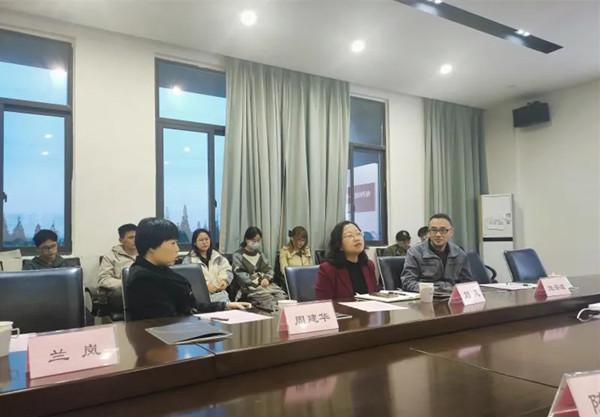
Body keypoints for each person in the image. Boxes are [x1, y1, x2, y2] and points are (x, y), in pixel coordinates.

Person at [125, 217, 250, 321]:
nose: (177, 249)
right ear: (152, 247)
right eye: (173, 243)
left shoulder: (159, 270)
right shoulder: (143, 279)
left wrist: (224, 306)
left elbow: (190, 306)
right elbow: (168, 323)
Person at [401, 213, 472, 292]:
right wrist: (435, 290)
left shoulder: (460, 254)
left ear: (451, 232)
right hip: (426, 296)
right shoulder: (415, 253)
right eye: (434, 230)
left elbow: (467, 283)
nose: (438, 235)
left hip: (452, 296)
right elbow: (407, 282)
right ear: (429, 232)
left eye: (443, 230)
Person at [315, 221, 378, 300]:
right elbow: (323, 303)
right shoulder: (328, 269)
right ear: (340, 245)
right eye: (349, 236)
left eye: (358, 234)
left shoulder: (369, 265)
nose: (356, 238)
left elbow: (375, 296)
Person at [232, 227, 286, 310]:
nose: (256, 243)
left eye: (258, 241)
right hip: (249, 288)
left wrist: (266, 278)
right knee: (268, 299)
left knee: (281, 297)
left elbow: (269, 269)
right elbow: (242, 276)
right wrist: (260, 279)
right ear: (246, 239)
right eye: (253, 241)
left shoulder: (259, 254)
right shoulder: (238, 255)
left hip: (265, 286)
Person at [182, 228, 232, 303]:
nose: (205, 242)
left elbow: (227, 270)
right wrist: (205, 286)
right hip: (201, 299)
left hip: (221, 295)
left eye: (207, 239)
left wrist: (224, 280)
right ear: (195, 243)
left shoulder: (218, 256)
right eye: (201, 240)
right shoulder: (189, 260)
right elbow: (188, 280)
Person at [98, 223, 137, 311]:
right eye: (131, 237)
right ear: (121, 240)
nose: (135, 240)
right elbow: (103, 279)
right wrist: (125, 283)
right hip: (122, 291)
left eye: (137, 237)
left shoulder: (147, 254)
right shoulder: (111, 256)